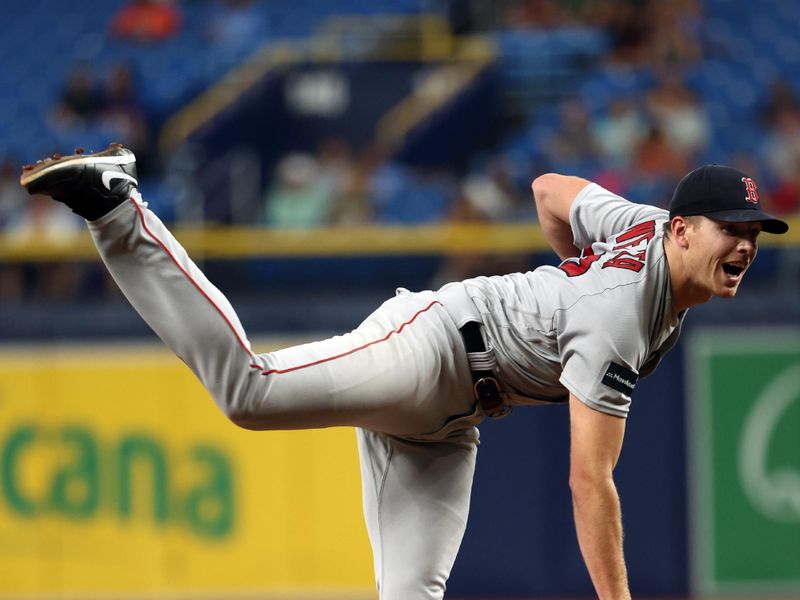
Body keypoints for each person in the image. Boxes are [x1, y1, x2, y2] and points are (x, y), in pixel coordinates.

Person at [20, 144, 788, 599]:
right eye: (734, 229)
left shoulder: (645, 229)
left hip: (451, 424)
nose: (747, 245)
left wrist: (571, 273)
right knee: (249, 392)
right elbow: (591, 482)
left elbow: (549, 191)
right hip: (436, 347)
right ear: (684, 230)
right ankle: (117, 205)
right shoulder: (621, 313)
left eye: (756, 231)